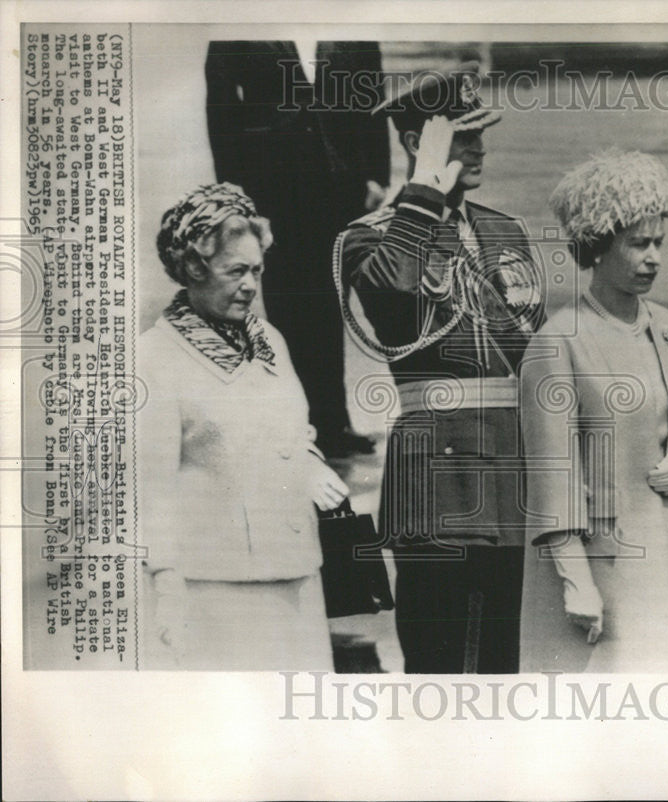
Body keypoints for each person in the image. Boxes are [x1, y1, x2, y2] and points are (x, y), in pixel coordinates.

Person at [337, 62, 545, 674]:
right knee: (440, 673)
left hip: (515, 484)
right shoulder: (366, 239)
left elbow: (531, 356)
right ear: (416, 145)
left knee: (510, 670)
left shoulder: (504, 230)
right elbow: (398, 305)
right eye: (460, 135)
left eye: (480, 132)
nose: (479, 146)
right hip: (438, 485)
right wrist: (423, 192)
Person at [519, 150, 668, 673]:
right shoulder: (558, 343)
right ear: (596, 247)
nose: (653, 257)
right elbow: (552, 481)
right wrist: (576, 583)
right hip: (609, 574)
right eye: (637, 244)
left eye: (659, 243)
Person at [139, 183, 349, 669]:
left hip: (297, 574)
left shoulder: (269, 339)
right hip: (215, 589)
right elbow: (151, 488)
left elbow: (295, 430)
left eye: (256, 270)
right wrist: (167, 587)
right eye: (236, 271)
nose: (251, 285)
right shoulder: (154, 357)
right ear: (194, 268)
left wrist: (309, 463)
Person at [206, 40, 390, 456]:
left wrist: (377, 174)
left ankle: (332, 425)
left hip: (340, 186)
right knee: (288, 309)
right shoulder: (237, 26)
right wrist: (240, 198)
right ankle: (296, 425)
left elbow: (372, 102)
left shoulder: (352, 29)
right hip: (274, 192)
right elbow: (221, 115)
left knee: (330, 305)